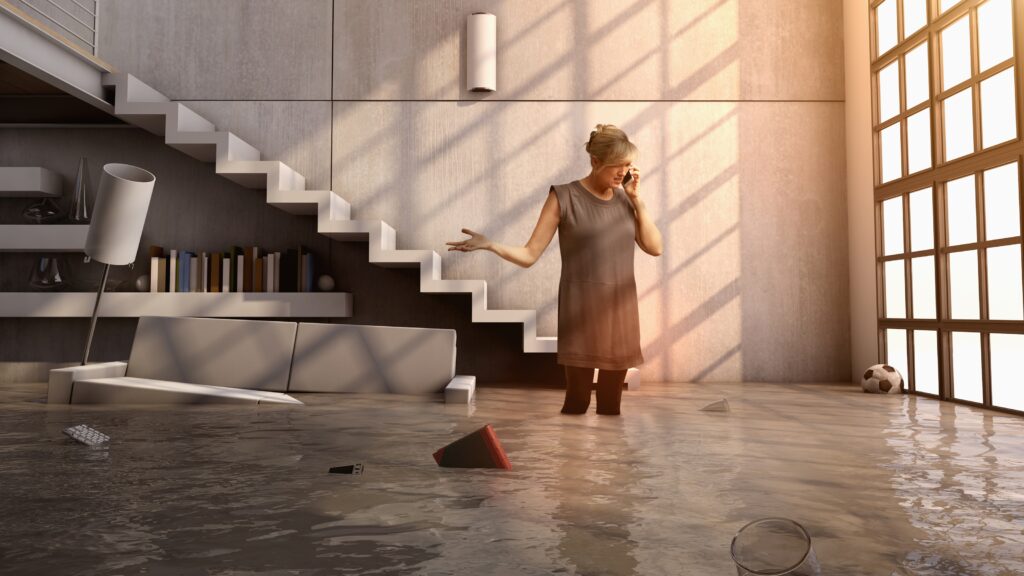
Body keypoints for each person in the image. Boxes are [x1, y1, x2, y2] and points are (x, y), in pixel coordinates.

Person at [447, 124, 663, 415]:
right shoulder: (564, 197)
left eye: (627, 165)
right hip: (580, 313)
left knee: (612, 407)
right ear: (595, 161)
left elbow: (654, 247)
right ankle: (569, 460)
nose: (622, 173)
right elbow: (529, 254)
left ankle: (611, 461)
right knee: (577, 402)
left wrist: (638, 201)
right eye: (616, 166)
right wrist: (490, 245)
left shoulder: (626, 200)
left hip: (621, 313)